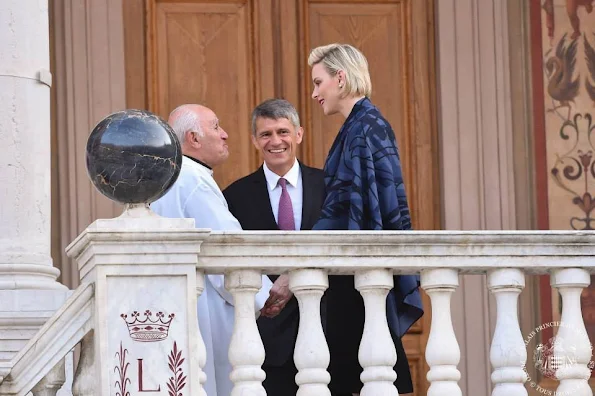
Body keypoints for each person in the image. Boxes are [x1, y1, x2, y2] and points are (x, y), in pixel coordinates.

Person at [308, 43, 424, 395]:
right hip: (355, 268)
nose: (314, 94)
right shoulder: (363, 125)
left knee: (367, 376)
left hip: (359, 269)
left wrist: (292, 266)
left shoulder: (365, 128)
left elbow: (345, 209)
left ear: (340, 79)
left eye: (318, 82)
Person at [150, 104, 274, 396]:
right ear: (193, 138)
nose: (225, 135)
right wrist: (264, 295)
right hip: (204, 312)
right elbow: (228, 249)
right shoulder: (193, 181)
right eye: (216, 127)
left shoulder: (166, 179)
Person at [223, 98, 326, 395]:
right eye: (266, 134)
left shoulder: (330, 186)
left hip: (328, 332)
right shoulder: (235, 196)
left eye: (283, 131)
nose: (275, 141)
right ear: (255, 140)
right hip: (264, 341)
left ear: (299, 134)